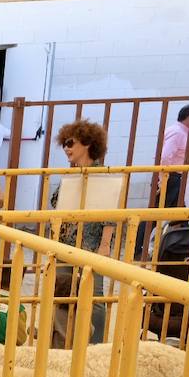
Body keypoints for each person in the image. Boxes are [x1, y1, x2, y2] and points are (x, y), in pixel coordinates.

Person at [48, 119, 115, 347]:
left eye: (70, 143)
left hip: (89, 244)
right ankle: (64, 342)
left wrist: (105, 244)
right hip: (66, 242)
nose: (66, 148)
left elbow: (109, 212)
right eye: (64, 143)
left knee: (94, 295)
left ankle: (94, 344)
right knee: (63, 291)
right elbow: (56, 202)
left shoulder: (100, 174)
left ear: (86, 143)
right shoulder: (72, 174)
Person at [134, 104, 189, 261]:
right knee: (156, 215)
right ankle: (139, 249)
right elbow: (166, 156)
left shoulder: (181, 132)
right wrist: (164, 178)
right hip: (171, 178)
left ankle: (178, 250)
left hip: (173, 178)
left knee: (181, 215)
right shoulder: (178, 132)